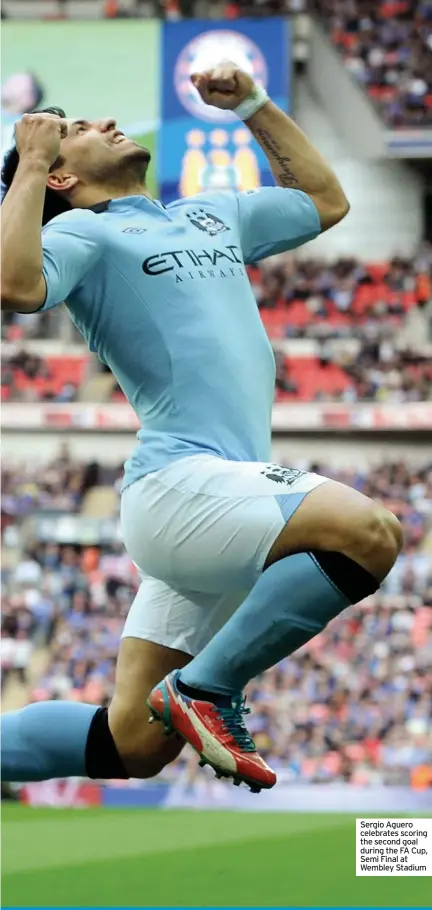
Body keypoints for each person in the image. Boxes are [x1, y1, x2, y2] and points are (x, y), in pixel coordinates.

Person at [1, 62, 402, 791]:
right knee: (367, 531)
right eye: (80, 130)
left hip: (217, 497)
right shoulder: (87, 232)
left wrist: (253, 104)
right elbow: (17, 285)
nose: (104, 124)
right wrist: (27, 161)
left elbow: (324, 199)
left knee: (134, 744)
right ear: (61, 178)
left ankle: (190, 695)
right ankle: (207, 689)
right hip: (178, 487)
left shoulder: (208, 212)